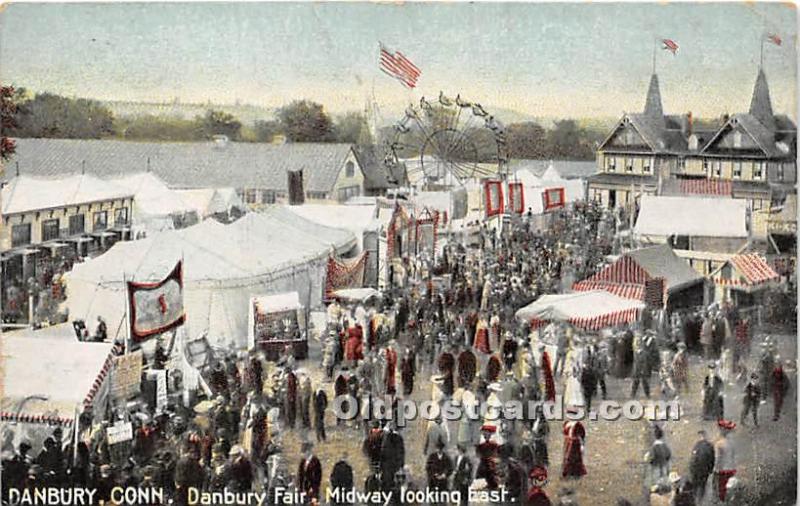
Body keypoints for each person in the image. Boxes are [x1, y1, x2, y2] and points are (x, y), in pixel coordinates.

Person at [714, 420, 737, 503]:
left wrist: (715, 469)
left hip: (723, 470)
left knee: (721, 489)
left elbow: (717, 458)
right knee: (730, 487)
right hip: (732, 468)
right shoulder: (731, 442)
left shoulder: (719, 444)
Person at [561, 412, 586, 479]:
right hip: (568, 442)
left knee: (573, 458)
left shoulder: (578, 424)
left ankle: (575, 472)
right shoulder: (567, 423)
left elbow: (582, 434)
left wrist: (582, 444)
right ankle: (567, 472)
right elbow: (564, 432)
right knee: (566, 457)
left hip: (575, 443)